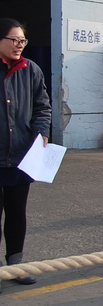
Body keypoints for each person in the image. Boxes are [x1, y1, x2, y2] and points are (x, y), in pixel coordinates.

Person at [0, 18, 51, 288]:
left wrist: (42, 133)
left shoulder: (31, 70)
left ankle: (15, 265)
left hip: (21, 156)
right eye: (14, 40)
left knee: (17, 213)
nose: (20, 45)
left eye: (23, 41)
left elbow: (42, 106)